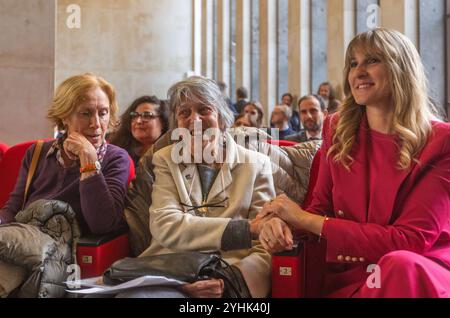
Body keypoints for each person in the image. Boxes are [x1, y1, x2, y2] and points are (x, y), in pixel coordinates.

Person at [259, 28, 450, 297]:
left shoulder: (441, 141)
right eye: (353, 63)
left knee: (399, 264)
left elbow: (410, 241)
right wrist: (282, 225)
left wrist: (302, 217)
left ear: (401, 69)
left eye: (372, 60)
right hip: (347, 273)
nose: (358, 72)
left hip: (417, 269)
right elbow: (319, 208)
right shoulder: (336, 129)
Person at [134, 76, 275, 298]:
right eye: (184, 112)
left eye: (204, 109)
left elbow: (265, 244)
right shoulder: (165, 159)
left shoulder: (256, 164)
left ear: (222, 117)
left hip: (226, 277)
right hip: (171, 273)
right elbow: (165, 224)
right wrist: (243, 229)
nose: (195, 120)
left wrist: (228, 282)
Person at [0, 73, 130, 235]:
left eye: (103, 113)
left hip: (69, 250)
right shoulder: (37, 152)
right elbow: (13, 209)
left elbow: (102, 224)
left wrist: (89, 160)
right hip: (23, 238)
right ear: (64, 116)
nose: (96, 124)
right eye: (86, 113)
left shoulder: (116, 158)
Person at [109, 96, 169, 167]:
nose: (138, 121)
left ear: (163, 122)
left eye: (147, 116)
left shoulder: (171, 154)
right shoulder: (116, 150)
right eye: (134, 115)